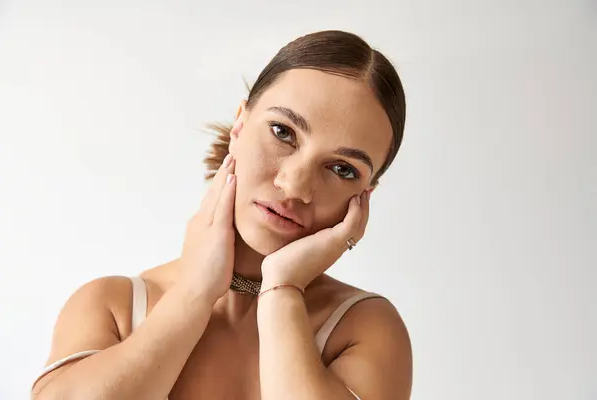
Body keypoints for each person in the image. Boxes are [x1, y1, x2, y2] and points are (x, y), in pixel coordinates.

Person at [31, 30, 413, 399]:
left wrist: (282, 289)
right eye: (283, 131)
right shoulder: (112, 305)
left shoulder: (363, 329)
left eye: (343, 169)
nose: (295, 186)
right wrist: (194, 293)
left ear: (363, 197)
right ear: (240, 126)